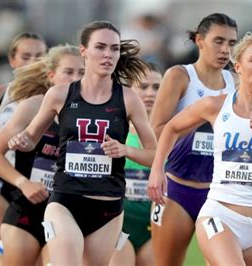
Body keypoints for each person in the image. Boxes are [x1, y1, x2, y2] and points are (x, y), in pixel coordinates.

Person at [148, 32, 252, 266]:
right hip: (219, 214)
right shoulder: (216, 105)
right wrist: (157, 170)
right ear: (238, 66)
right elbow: (170, 128)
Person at [8, 21, 157, 266]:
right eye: (100, 47)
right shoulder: (59, 94)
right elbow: (30, 139)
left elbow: (154, 154)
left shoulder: (129, 98)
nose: (108, 54)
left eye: (114, 48)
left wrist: (125, 150)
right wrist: (20, 139)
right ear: (83, 51)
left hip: (108, 209)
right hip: (65, 201)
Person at [147, 13, 238, 266]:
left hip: (221, 193)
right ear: (199, 40)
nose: (225, 50)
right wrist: (202, 115)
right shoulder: (180, 76)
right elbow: (157, 130)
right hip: (178, 189)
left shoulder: (236, 84)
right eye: (218, 41)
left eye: (231, 44)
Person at [0, 44, 84, 266]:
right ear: (51, 76)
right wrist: (23, 183)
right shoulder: (34, 107)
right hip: (26, 207)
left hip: (67, 211)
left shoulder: (92, 114)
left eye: (82, 73)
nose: (75, 79)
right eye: (68, 72)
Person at [0, 32, 47, 246]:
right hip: (4, 186)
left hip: (42, 187)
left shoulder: (54, 98)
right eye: (26, 56)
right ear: (12, 60)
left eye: (39, 56)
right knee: (0, 253)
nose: (33, 62)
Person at [109, 62, 162, 266]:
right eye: (144, 86)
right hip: (119, 221)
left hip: (155, 225)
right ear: (130, 90)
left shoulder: (173, 132)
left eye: (157, 87)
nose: (150, 93)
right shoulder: (116, 130)